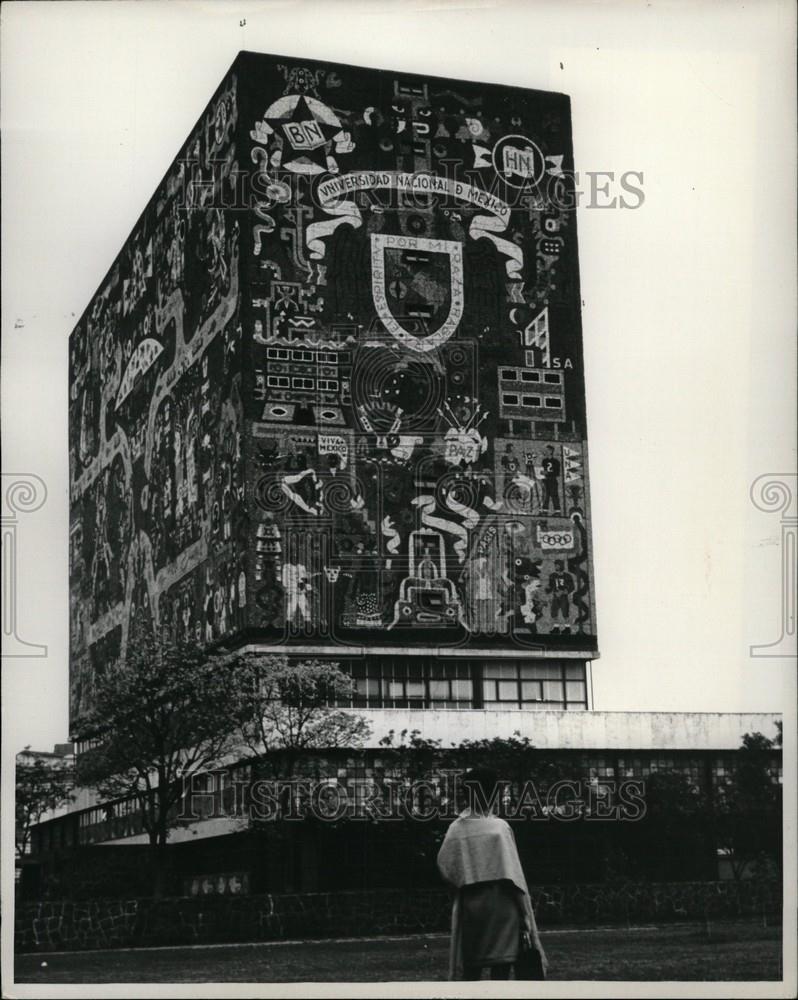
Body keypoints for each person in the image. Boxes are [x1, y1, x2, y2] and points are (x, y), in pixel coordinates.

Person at [437, 767, 547, 981]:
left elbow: (445, 866)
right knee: (502, 968)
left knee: (471, 969)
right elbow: (514, 875)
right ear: (492, 793)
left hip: (472, 906)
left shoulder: (456, 829)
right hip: (503, 906)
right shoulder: (499, 828)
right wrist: (524, 913)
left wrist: (465, 881)